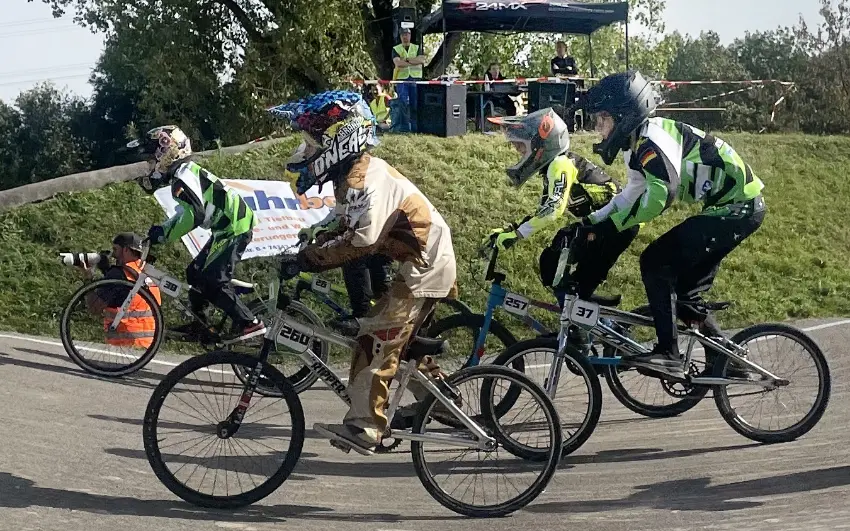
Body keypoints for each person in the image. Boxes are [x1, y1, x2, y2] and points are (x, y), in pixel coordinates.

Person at [270, 90, 457, 453]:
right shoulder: (356, 174)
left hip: (424, 267)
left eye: (312, 143)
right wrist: (312, 244)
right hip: (420, 263)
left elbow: (362, 241)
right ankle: (443, 399)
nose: (307, 151)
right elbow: (345, 227)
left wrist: (310, 259)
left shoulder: (367, 180)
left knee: (376, 339)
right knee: (398, 342)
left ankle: (366, 426)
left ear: (340, 139)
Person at [580, 70, 765, 377]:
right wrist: (592, 221)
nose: (598, 127)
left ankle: (668, 353)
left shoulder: (652, 140)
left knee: (655, 260)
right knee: (685, 295)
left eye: (602, 119)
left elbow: (661, 195)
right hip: (730, 209)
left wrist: (611, 226)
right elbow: (630, 196)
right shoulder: (637, 145)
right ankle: (728, 360)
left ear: (624, 115)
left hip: (737, 208)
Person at [482, 108, 638, 310]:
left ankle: (577, 328)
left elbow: (553, 210)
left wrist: (517, 234)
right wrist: (512, 229)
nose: (519, 152)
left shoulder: (560, 164)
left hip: (618, 224)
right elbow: (545, 208)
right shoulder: (555, 165)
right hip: (609, 224)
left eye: (522, 147)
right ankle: (586, 313)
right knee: (557, 265)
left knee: (555, 260)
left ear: (542, 145)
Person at [126, 125, 265, 341]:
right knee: (194, 273)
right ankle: (201, 324)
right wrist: (163, 229)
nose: (150, 165)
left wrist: (164, 234)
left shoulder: (182, 177)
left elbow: (195, 216)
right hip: (227, 228)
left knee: (213, 279)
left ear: (167, 152)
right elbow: (187, 213)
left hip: (234, 228)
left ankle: (250, 323)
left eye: (152, 158)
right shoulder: (184, 173)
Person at [82, 233, 162, 349]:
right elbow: (126, 290)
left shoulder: (118, 274)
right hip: (148, 345)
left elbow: (94, 308)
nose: (113, 254)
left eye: (115, 249)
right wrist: (107, 271)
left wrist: (88, 278)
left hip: (124, 343)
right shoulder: (147, 272)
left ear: (125, 250)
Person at [391, 27, 426, 133]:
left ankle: (416, 128)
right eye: (403, 35)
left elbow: (421, 60)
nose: (405, 37)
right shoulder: (396, 49)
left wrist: (405, 60)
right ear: (400, 37)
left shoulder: (417, 47)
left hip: (415, 78)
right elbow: (398, 63)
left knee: (415, 103)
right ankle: (405, 128)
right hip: (402, 80)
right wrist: (413, 61)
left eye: (407, 34)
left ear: (410, 36)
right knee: (404, 103)